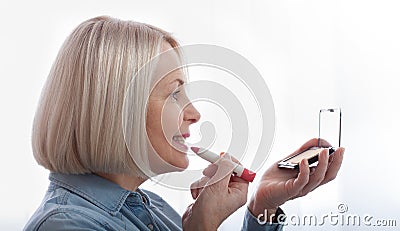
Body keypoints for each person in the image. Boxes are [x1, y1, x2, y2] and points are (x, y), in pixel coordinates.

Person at [24, 16, 345, 231]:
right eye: (175, 94)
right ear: (118, 107)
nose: (194, 113)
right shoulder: (66, 224)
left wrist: (263, 205)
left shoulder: (154, 210)